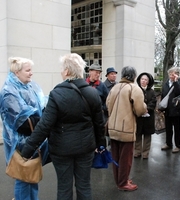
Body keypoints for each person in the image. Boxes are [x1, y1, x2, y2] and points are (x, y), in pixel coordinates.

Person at [21, 53, 106, 200]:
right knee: (84, 185)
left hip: (62, 149)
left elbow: (45, 125)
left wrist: (27, 149)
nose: (61, 71)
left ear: (67, 71)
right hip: (86, 147)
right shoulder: (92, 93)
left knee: (64, 187)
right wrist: (101, 144)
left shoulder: (57, 94)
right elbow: (99, 123)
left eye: (62, 68)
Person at [0, 57, 49, 200]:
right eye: (28, 70)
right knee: (23, 177)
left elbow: (43, 106)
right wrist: (45, 123)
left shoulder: (30, 86)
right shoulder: (9, 91)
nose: (31, 73)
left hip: (33, 140)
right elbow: (23, 123)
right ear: (16, 72)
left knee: (32, 175)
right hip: (20, 143)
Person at [106, 66, 147, 191]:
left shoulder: (115, 87)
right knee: (126, 158)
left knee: (116, 157)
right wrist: (144, 106)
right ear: (134, 76)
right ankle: (123, 183)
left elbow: (108, 105)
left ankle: (119, 180)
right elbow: (140, 110)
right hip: (127, 128)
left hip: (113, 127)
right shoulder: (134, 88)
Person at [160, 67, 180, 153]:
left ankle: (178, 145)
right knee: (168, 128)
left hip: (176, 110)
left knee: (177, 129)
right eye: (170, 74)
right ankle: (168, 143)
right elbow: (163, 95)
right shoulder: (166, 83)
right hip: (167, 110)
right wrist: (162, 107)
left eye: (173, 74)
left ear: (177, 74)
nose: (171, 76)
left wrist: (176, 82)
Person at [134, 72, 157, 159]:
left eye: (145, 80)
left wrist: (146, 109)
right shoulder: (136, 90)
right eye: (142, 79)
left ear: (148, 81)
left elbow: (153, 102)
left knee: (147, 135)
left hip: (148, 116)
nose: (143, 81)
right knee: (138, 134)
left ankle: (145, 152)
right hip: (138, 116)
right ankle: (137, 151)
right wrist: (140, 109)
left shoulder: (151, 91)